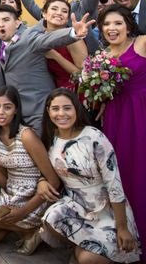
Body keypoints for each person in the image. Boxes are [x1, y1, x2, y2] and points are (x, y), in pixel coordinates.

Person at [38, 89, 141, 264]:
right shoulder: (50, 138)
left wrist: (122, 227)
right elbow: (46, 169)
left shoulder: (94, 137)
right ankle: (81, 248)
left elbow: (113, 183)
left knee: (87, 259)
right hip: (75, 206)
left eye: (67, 108)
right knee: (51, 218)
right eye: (55, 108)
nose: (61, 114)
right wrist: (41, 181)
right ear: (48, 111)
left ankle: (87, 252)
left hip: (105, 209)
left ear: (76, 110)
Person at [0, 85, 60, 255]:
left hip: (34, 200)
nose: (1, 112)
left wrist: (22, 211)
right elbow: (4, 183)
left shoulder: (26, 136)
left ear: (16, 110)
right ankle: (26, 231)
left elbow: (54, 181)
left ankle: (31, 225)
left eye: (7, 107)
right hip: (12, 195)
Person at [0, 4, 93, 133]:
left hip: (39, 110)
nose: (1, 25)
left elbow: (49, 39)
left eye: (6, 20)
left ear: (17, 23)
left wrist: (73, 32)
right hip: (17, 113)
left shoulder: (28, 36)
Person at [97, 4, 146, 247]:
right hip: (116, 118)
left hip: (142, 113)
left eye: (117, 23)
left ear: (128, 24)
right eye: (106, 24)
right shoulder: (102, 56)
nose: (111, 28)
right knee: (121, 174)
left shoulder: (142, 43)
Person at [42, 0, 86, 89]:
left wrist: (56, 56)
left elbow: (83, 75)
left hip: (75, 90)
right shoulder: (39, 37)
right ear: (44, 14)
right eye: (54, 9)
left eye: (64, 11)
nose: (59, 13)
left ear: (67, 19)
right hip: (51, 90)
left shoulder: (73, 38)